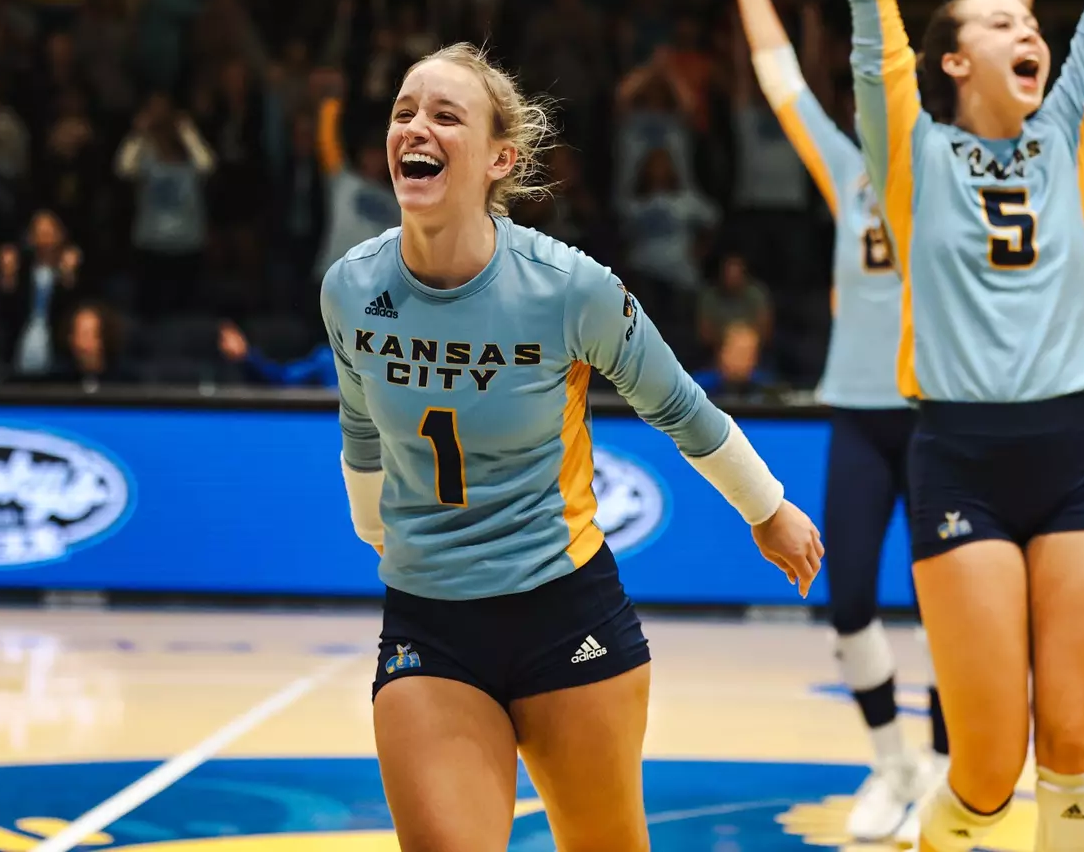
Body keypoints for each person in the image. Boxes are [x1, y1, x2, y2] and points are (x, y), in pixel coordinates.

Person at [319, 41, 825, 852]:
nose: (417, 126)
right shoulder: (350, 286)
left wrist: (767, 511)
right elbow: (359, 423)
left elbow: (680, 406)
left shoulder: (568, 288)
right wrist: (376, 530)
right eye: (405, 111)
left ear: (498, 158)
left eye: (447, 115)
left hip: (564, 612)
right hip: (429, 623)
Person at [705, 0, 1059, 842]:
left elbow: (994, 56)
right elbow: (779, 75)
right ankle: (890, 762)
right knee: (848, 595)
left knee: (961, 615)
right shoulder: (853, 163)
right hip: (860, 407)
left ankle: (949, 774)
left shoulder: (966, 161)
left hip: (948, 410)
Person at [845, 0, 1084, 850]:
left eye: (1031, 23)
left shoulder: (1064, 134)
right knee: (986, 762)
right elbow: (867, 6)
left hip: (1073, 444)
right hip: (961, 453)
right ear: (951, 59)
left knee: (1073, 744)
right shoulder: (912, 152)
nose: (1030, 32)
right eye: (1002, 23)